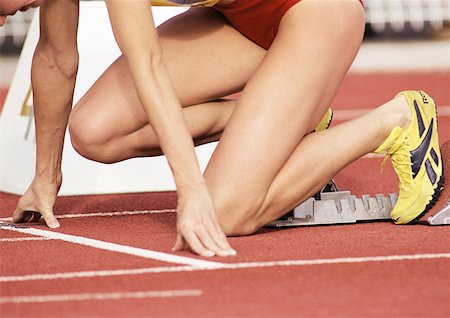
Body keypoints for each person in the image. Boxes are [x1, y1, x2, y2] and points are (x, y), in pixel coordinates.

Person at [1, 0, 443, 257]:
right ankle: (286, 122)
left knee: (226, 212)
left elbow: (150, 68)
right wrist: (45, 176)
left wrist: (192, 191)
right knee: (94, 130)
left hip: (314, 10)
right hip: (238, 22)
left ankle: (396, 121)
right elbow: (56, 59)